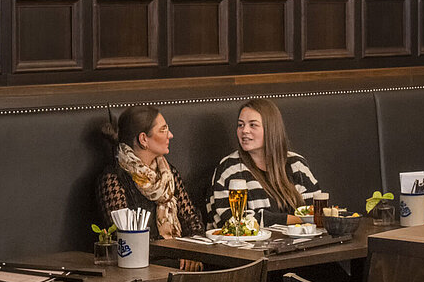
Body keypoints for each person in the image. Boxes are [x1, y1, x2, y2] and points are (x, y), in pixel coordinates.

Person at [96, 105, 203, 240]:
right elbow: (124, 237)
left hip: (178, 251)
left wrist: (192, 249)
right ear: (143, 139)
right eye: (163, 130)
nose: (170, 135)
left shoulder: (168, 172)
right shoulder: (113, 178)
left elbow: (193, 223)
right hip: (143, 253)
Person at [208, 98, 320, 227]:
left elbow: (315, 212)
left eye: (253, 125)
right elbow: (234, 222)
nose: (244, 130)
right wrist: (292, 220)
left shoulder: (296, 164)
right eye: (240, 125)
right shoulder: (229, 168)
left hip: (301, 239)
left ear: (271, 129)